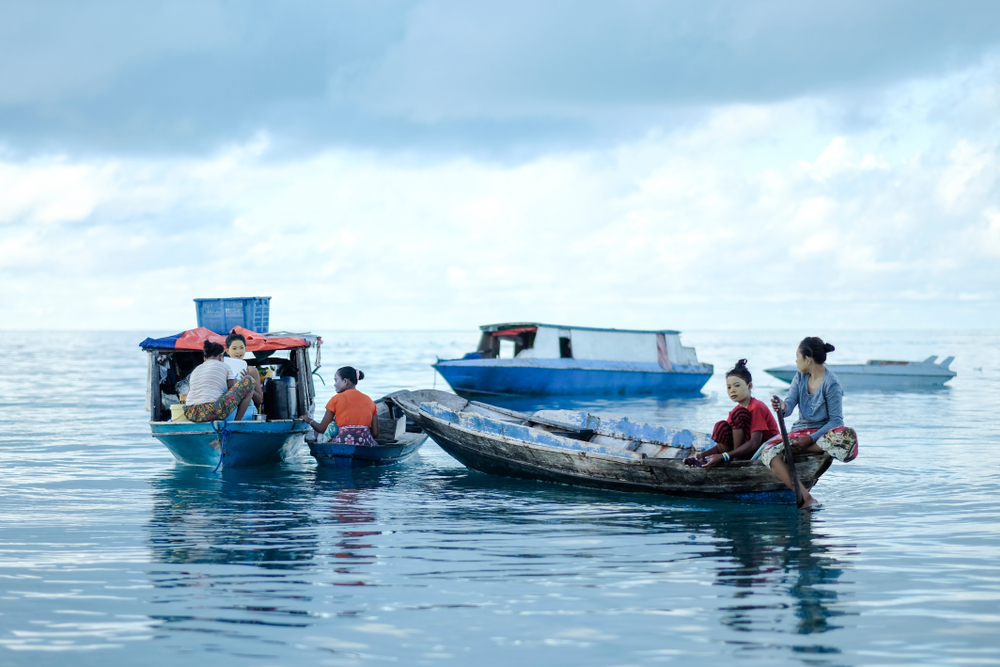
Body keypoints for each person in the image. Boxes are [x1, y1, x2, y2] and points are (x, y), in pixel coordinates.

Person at [762, 337, 859, 508]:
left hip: (821, 435)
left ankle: (805, 447)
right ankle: (806, 497)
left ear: (807, 359)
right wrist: (781, 406)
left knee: (846, 437)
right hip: (799, 433)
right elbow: (789, 405)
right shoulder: (799, 377)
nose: (796, 361)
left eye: (797, 357)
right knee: (767, 452)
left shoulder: (831, 383)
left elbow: (836, 421)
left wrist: (811, 439)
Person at [687, 359, 779, 469]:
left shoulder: (756, 406)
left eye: (737, 386)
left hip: (763, 450)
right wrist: (702, 455)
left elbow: (755, 443)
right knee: (720, 426)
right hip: (742, 452)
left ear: (749, 386)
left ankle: (736, 460)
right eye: (729, 387)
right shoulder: (735, 411)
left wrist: (725, 456)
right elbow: (723, 443)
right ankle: (733, 460)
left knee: (739, 414)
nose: (732, 390)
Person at [301, 366, 380, 446]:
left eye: (336, 380)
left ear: (345, 381)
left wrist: (309, 420)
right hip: (366, 443)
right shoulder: (370, 401)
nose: (334, 384)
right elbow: (375, 434)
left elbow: (321, 429)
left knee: (321, 432)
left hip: (343, 443)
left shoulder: (336, 399)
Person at [183, 340, 257, 422]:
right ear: (221, 357)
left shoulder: (196, 370)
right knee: (249, 380)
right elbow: (231, 392)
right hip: (213, 411)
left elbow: (190, 392)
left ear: (205, 359)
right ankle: (237, 421)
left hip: (191, 413)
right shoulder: (225, 366)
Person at [223, 330, 263, 420]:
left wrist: (247, 385)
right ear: (227, 351)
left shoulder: (252, 370)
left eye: (241, 348)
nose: (238, 351)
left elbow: (259, 400)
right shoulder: (222, 368)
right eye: (234, 348)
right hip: (227, 412)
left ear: (245, 349)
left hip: (248, 411)